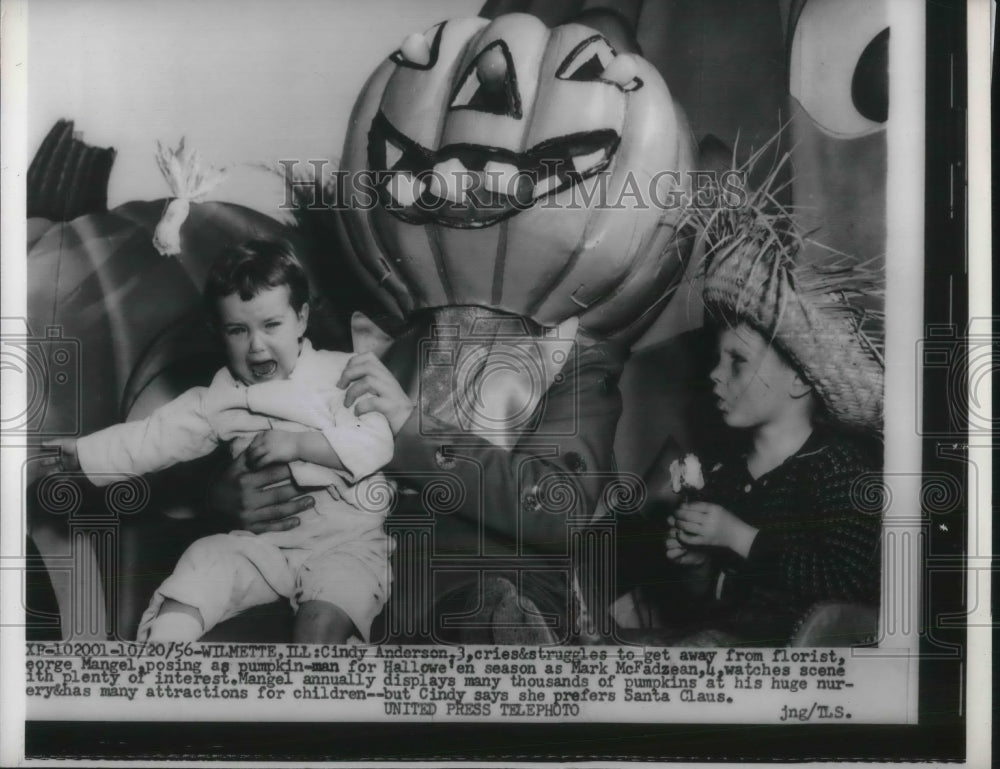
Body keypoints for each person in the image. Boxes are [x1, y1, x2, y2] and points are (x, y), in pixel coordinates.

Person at [42, 240, 394, 644]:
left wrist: (299, 445)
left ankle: (313, 686)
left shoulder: (339, 374)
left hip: (346, 545)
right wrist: (85, 456)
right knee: (204, 559)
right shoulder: (219, 397)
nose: (257, 345)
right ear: (219, 334)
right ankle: (163, 655)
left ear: (301, 319)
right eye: (238, 330)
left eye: (271, 325)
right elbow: (153, 436)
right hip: (269, 548)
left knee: (324, 617)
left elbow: (376, 442)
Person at [209, 305, 626, 644]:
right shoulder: (323, 332)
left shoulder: (577, 357)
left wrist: (408, 428)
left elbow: (559, 508)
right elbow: (230, 430)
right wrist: (224, 495)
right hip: (334, 581)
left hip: (486, 603)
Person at [656, 235, 885, 646]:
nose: (714, 374)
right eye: (717, 359)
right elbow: (709, 607)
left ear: (799, 380)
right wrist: (696, 565)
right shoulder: (722, 477)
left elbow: (851, 582)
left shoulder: (839, 469)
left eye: (738, 362)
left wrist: (739, 537)